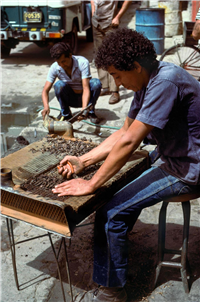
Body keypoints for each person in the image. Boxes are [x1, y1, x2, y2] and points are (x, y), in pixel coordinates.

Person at [52, 28, 200, 302]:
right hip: (175, 154)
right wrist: (83, 161)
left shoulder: (165, 82)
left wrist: (92, 183)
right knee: (118, 183)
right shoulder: (149, 80)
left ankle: (112, 291)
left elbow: (131, 141)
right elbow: (124, 131)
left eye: (118, 76)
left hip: (190, 167)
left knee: (110, 212)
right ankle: (117, 245)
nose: (117, 84)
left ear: (135, 66)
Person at [42, 42, 102, 124]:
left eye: (63, 61)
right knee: (58, 85)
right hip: (70, 98)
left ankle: (90, 112)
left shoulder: (82, 62)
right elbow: (45, 90)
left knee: (96, 83)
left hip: (86, 98)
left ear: (70, 55)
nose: (61, 65)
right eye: (58, 62)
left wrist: (84, 109)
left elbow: (86, 88)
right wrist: (46, 107)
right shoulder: (55, 67)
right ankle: (66, 114)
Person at [91, 0, 132, 104]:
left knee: (113, 56)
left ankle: (115, 90)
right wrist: (93, 13)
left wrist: (118, 17)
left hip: (111, 24)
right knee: (99, 55)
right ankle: (105, 86)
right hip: (96, 24)